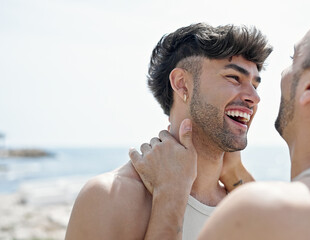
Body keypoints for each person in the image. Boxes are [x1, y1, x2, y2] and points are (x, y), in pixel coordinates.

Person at [129, 1, 310, 239]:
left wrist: (170, 196)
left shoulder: (259, 213)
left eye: (294, 59)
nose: (256, 96)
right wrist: (235, 175)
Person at [65, 23, 272, 239]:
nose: (254, 98)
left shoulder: (242, 203)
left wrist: (235, 174)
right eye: (234, 78)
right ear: (182, 84)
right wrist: (171, 195)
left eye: (255, 85)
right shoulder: (110, 196)